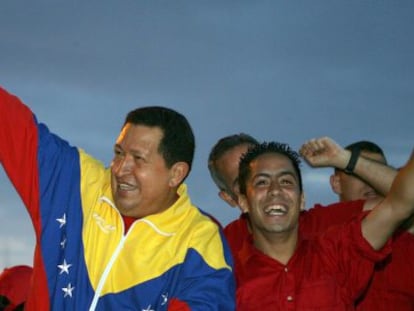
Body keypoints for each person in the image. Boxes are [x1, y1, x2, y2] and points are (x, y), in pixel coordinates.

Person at [0, 87, 235, 310]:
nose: (121, 168)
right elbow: (11, 121)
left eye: (138, 159)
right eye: (119, 153)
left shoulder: (200, 241)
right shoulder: (76, 182)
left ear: (176, 174)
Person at [235, 141, 414, 310]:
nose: (275, 190)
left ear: (302, 200)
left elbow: (401, 203)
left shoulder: (335, 253)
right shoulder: (229, 275)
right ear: (243, 202)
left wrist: (345, 159)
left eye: (286, 181)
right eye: (262, 182)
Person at [208, 134, 391, 256]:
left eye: (264, 176)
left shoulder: (325, 225)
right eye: (243, 182)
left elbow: (404, 200)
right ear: (230, 198)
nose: (273, 190)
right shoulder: (222, 250)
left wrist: (344, 159)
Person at [300, 136, 414, 310]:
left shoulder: (406, 227)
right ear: (336, 183)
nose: (371, 180)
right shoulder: (314, 223)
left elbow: (406, 196)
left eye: (377, 170)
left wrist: (346, 160)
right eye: (358, 173)